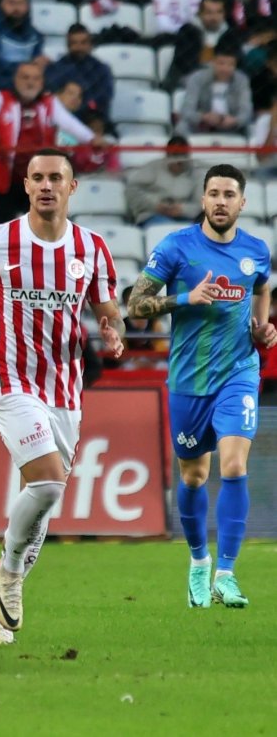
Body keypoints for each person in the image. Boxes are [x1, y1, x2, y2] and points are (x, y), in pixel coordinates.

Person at [0, 148, 126, 645]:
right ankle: (8, 575)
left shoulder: (92, 248)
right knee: (46, 484)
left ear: (72, 188)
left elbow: (109, 310)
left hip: (65, 388)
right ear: (25, 185)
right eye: (38, 177)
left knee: (46, 497)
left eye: (56, 178)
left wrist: (113, 334)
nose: (47, 185)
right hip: (8, 378)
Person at [127, 164, 276, 609]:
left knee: (232, 466)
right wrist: (184, 299)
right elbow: (135, 305)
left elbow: (263, 286)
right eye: (213, 193)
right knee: (193, 475)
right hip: (190, 380)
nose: (221, 201)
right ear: (203, 199)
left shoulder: (256, 250)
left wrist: (263, 327)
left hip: (238, 372)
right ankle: (198, 562)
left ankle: (226, 574)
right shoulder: (177, 247)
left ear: (242, 202)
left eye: (229, 194)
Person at [0, 61, 105, 223]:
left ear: (42, 82)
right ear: (16, 79)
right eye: (25, 77)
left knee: (42, 226)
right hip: (5, 177)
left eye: (35, 78)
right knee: (5, 228)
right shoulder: (1, 99)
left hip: (38, 179)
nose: (30, 82)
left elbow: (70, 123)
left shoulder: (49, 103)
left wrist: (91, 138)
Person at [163, 0, 240, 91]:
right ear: (200, 14)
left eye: (218, 12)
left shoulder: (229, 35)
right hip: (187, 80)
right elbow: (184, 64)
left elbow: (238, 63)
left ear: (224, 14)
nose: (214, 17)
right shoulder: (187, 31)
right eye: (209, 12)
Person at [175, 46, 252, 137]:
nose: (225, 69)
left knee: (249, 129)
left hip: (230, 127)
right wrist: (203, 117)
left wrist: (235, 120)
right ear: (213, 62)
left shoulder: (242, 81)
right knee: (182, 127)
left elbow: (246, 111)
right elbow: (187, 110)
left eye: (230, 65)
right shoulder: (197, 78)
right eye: (221, 64)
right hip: (202, 126)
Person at [125, 135, 201, 226]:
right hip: (153, 215)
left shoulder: (196, 174)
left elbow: (201, 203)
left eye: (183, 155)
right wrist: (155, 205)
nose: (179, 161)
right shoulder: (153, 167)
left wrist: (183, 209)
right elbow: (131, 190)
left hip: (184, 218)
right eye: (175, 155)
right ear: (167, 155)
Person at [44, 24, 114, 119]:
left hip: (91, 119)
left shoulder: (102, 70)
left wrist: (78, 106)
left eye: (83, 43)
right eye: (74, 43)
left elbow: (103, 98)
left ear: (90, 44)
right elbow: (49, 95)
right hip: (61, 119)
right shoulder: (55, 69)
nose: (79, 47)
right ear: (68, 45)